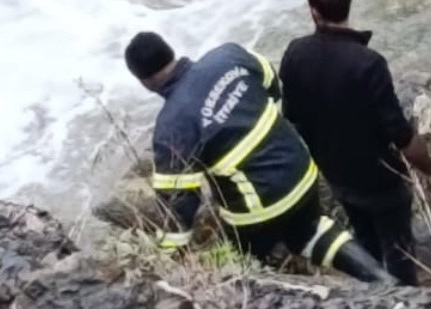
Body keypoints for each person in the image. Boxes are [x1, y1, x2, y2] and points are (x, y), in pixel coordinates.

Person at [125, 31, 388, 282]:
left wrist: (167, 256)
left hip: (259, 208)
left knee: (241, 262)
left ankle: (267, 297)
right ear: (171, 52)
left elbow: (180, 204)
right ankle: (381, 278)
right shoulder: (228, 56)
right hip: (301, 170)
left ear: (143, 82)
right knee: (309, 230)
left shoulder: (172, 126)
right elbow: (270, 79)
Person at [279, 0, 431, 286]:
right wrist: (430, 170)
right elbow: (399, 133)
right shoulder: (369, 63)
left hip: (337, 174)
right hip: (381, 178)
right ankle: (412, 305)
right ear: (349, 4)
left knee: (366, 241)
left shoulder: (295, 53)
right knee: (401, 252)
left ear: (314, 11)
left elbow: (292, 116)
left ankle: (376, 296)